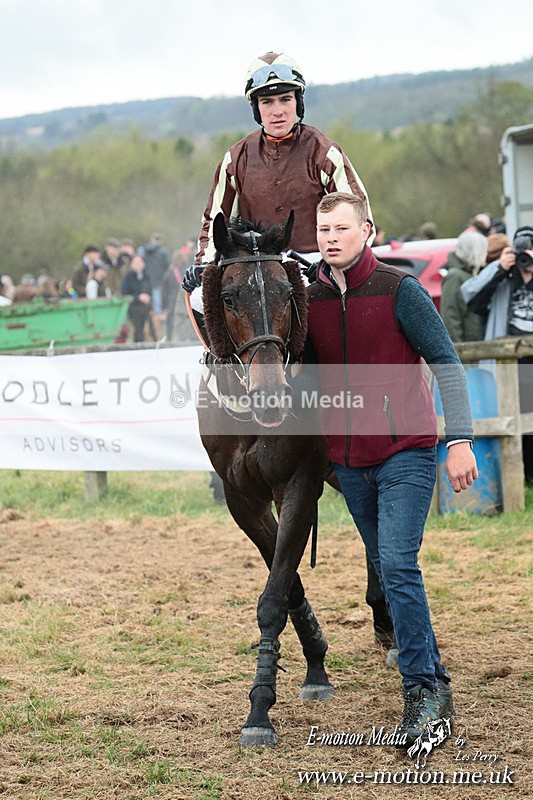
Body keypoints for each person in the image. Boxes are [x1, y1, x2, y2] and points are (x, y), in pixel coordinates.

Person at [304, 192, 478, 747]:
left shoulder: (400, 291)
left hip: (406, 451)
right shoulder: (309, 302)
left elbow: (446, 362)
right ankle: (429, 668)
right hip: (350, 464)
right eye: (323, 229)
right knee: (385, 567)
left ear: (367, 231)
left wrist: (461, 440)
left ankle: (425, 689)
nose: (331, 238)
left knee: (398, 564)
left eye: (341, 228)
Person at [183, 50, 372, 294]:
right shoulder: (235, 158)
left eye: (285, 99)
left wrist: (332, 265)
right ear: (256, 108)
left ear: (299, 101)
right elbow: (215, 220)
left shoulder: (325, 153)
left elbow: (361, 217)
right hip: (256, 267)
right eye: (267, 102)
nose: (277, 111)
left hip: (317, 264)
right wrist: (205, 265)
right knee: (199, 297)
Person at [461, 225, 533, 480]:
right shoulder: (503, 274)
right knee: (511, 417)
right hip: (507, 361)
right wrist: (500, 268)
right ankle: (516, 476)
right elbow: (471, 297)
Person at [440, 231, 488, 342]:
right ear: (475, 251)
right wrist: (458, 353)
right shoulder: (455, 277)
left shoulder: (474, 274)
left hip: (478, 348)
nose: (486, 254)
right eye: (484, 250)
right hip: (467, 352)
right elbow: (451, 318)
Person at [120, 254, 154, 343]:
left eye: (140, 262)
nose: (138, 264)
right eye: (135, 262)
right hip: (134, 308)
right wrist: (138, 297)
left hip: (147, 308)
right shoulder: (128, 277)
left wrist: (148, 297)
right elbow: (124, 294)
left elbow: (150, 291)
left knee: (152, 328)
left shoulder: (147, 276)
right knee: (138, 331)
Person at [138, 233, 171, 315]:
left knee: (146, 301)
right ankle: (158, 319)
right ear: (160, 240)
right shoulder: (163, 252)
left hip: (145, 279)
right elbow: (168, 266)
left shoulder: (143, 250)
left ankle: (148, 319)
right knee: (158, 303)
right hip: (158, 279)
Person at [161, 249, 187, 341]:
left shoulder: (168, 273)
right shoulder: (186, 271)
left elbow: (164, 291)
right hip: (184, 301)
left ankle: (169, 338)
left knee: (170, 321)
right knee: (183, 321)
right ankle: (182, 338)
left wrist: (164, 306)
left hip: (171, 302)